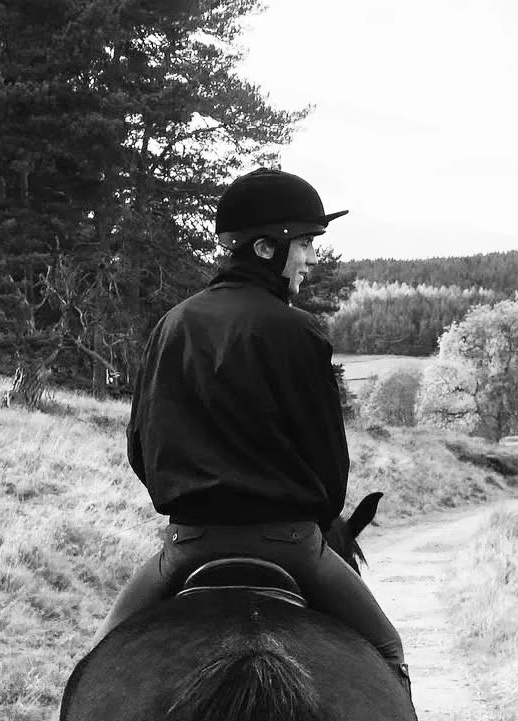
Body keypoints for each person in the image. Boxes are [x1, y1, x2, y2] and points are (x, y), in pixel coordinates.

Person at [92, 166, 411, 692]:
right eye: (306, 243)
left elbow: (140, 449)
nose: (312, 259)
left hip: (187, 546)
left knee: (96, 669)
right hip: (289, 546)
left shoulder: (172, 324)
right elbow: (330, 467)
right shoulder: (299, 330)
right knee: (387, 652)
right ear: (267, 248)